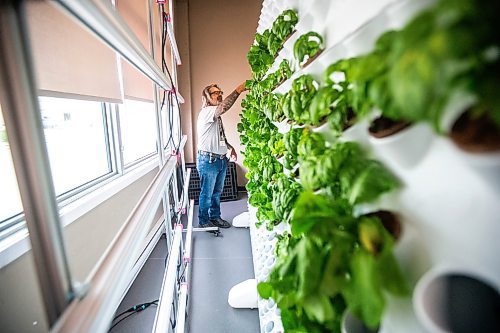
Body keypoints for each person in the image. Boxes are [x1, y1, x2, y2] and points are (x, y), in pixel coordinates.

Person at [196, 82, 247, 230]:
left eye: (220, 92)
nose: (219, 94)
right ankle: (204, 221)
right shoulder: (207, 112)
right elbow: (223, 107)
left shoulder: (216, 117)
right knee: (207, 194)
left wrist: (230, 148)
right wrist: (239, 89)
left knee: (217, 193)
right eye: (215, 93)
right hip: (208, 160)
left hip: (220, 159)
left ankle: (215, 217)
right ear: (206, 98)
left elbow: (219, 137)